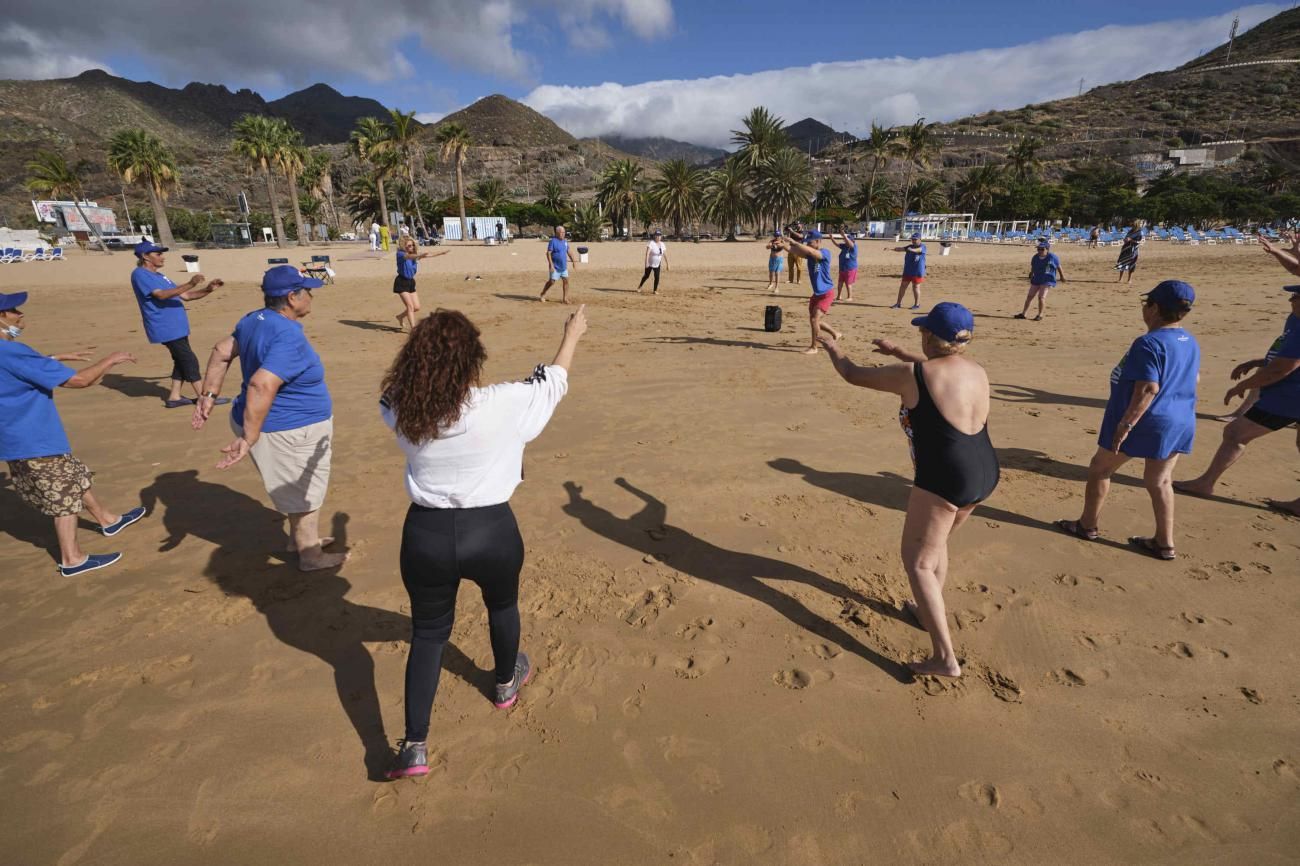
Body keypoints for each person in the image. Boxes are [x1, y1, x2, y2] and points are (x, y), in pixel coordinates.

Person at [379, 305, 588, 779]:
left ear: (415, 361)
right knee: (501, 606)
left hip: (427, 535)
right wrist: (572, 334)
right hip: (491, 531)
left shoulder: (398, 407)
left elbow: (402, 391)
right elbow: (554, 381)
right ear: (473, 360)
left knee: (428, 634)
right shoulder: (504, 402)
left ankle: (414, 745)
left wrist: (421, 345)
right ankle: (503, 685)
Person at [817, 302, 997, 678]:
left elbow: (852, 374)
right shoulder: (975, 370)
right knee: (937, 545)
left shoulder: (911, 375)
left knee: (917, 562)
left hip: (945, 478)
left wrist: (833, 348)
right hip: (984, 473)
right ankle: (923, 609)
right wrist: (900, 352)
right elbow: (938, 372)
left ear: (930, 336)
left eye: (923, 332)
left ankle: (945, 658)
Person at [191, 266, 347, 571]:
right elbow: (262, 383)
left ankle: (300, 540)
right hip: (286, 429)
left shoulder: (254, 319)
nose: (311, 295)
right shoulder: (287, 335)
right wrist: (249, 437)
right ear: (291, 297)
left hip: (274, 424)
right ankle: (310, 555)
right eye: (307, 291)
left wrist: (208, 396)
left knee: (293, 485)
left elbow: (222, 351)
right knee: (305, 491)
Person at [0, 291, 147, 576]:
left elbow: (15, 369)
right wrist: (110, 360)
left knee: (75, 475)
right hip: (34, 438)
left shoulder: (10, 353)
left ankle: (108, 519)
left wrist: (54, 357)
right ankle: (72, 559)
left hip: (13, 437)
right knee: (64, 497)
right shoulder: (13, 351)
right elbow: (79, 381)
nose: (20, 314)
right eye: (13, 310)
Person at [1056, 280, 1199, 560]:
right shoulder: (1189, 341)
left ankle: (1087, 525)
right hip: (1179, 419)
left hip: (1147, 421)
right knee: (1160, 480)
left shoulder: (1149, 342)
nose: (1144, 309)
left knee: (1100, 468)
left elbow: (1148, 388)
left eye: (1147, 304)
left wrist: (1126, 424)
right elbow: (1193, 379)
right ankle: (1164, 542)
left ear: (1155, 308)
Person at [1174, 284, 1300, 516]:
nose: (1291, 299)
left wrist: (1243, 385)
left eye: (1296, 296)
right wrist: (1258, 362)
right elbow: (1285, 356)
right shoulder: (1294, 319)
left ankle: (1206, 483)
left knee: (1235, 434)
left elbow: (1284, 367)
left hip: (1290, 398)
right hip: (1290, 394)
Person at [129, 241, 226, 409]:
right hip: (164, 327)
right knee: (189, 360)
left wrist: (208, 289)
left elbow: (186, 295)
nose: (163, 257)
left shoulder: (160, 276)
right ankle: (204, 397)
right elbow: (161, 295)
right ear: (145, 257)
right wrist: (190, 282)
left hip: (177, 327)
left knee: (180, 360)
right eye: (158, 254)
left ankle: (174, 397)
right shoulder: (140, 274)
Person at [777, 229, 841, 355]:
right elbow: (795, 251)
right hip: (816, 294)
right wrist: (784, 245)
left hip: (827, 293)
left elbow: (811, 251)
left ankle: (814, 347)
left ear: (818, 241)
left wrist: (795, 242)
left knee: (814, 320)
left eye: (809, 242)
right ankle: (835, 333)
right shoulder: (809, 255)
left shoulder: (825, 253)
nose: (807, 245)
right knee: (814, 319)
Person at [394, 238, 449, 332]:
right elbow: (408, 257)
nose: (411, 247)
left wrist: (441, 253)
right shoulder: (400, 254)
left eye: (412, 245)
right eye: (409, 245)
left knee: (416, 307)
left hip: (411, 282)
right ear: (404, 246)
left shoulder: (414, 255)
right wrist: (419, 255)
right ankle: (414, 329)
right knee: (410, 306)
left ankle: (400, 317)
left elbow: (429, 255)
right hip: (401, 282)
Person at [1015, 241, 1066, 321]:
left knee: (1041, 297)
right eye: (1038, 249)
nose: (1039, 251)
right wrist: (1031, 274)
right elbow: (1033, 266)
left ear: (1047, 249)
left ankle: (1040, 315)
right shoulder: (1035, 257)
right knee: (1029, 296)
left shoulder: (1052, 257)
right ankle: (1023, 314)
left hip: (1047, 279)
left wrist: (1062, 276)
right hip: (1036, 279)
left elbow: (1058, 266)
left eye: (1042, 249)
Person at [539, 225, 578, 304]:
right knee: (552, 282)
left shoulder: (565, 242)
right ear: (557, 233)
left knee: (566, 281)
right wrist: (551, 265)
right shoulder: (553, 241)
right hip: (555, 267)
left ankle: (565, 298)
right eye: (561, 232)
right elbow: (548, 253)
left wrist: (573, 261)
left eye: (564, 232)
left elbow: (569, 252)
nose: (563, 234)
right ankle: (543, 293)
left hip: (563, 267)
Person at [890, 233, 926, 310]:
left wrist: (911, 250)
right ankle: (898, 303)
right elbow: (901, 249)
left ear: (920, 239)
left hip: (917, 271)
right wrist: (891, 249)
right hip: (907, 270)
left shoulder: (923, 246)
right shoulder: (909, 246)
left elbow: (919, 250)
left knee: (916, 287)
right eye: (912, 239)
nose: (913, 241)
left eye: (915, 239)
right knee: (903, 286)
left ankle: (917, 304)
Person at [832, 226, 858, 302]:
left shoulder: (853, 247)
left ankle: (850, 297)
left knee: (848, 283)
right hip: (842, 268)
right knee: (840, 283)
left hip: (850, 269)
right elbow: (836, 244)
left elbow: (850, 243)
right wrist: (832, 238)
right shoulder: (844, 246)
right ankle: (838, 296)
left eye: (846, 240)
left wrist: (844, 236)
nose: (845, 241)